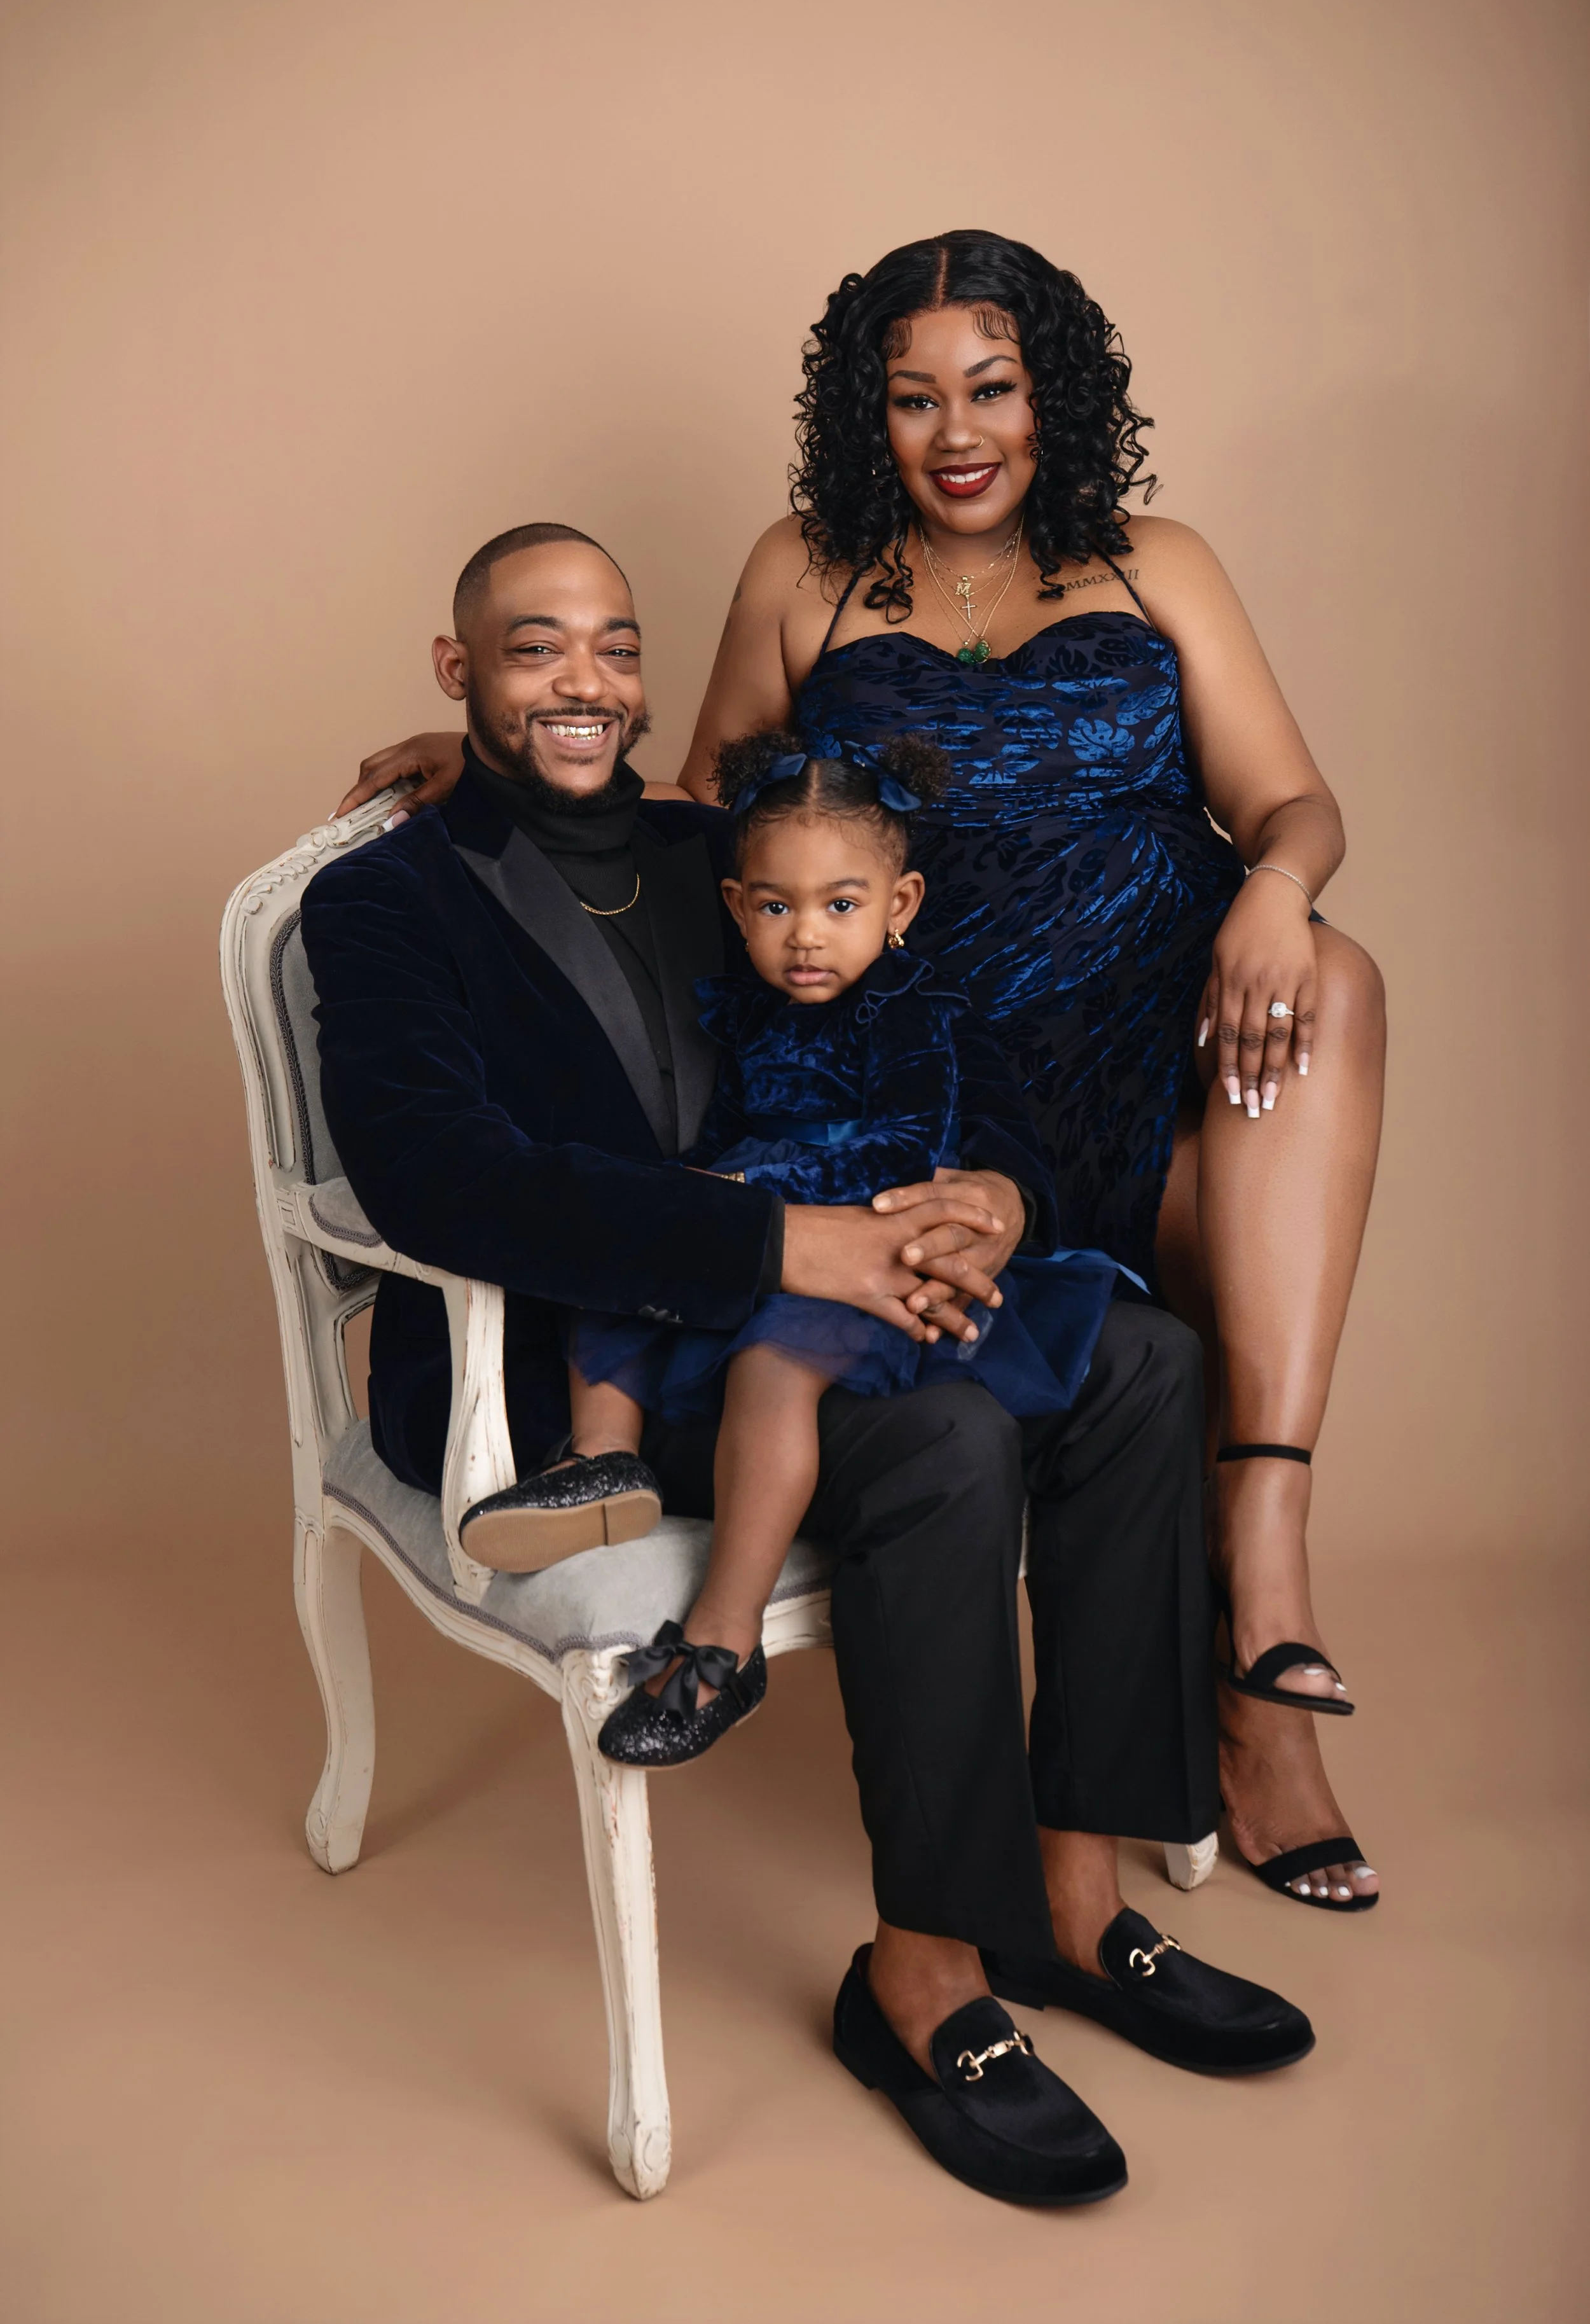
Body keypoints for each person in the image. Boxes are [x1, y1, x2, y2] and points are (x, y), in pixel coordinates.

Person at [336, 233, 1385, 1911]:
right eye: (911, 399)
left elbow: (1297, 801)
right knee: (1105, 1360)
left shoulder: (1154, 559)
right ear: (865, 415)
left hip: (1165, 1021)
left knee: (1332, 973)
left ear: (1053, 395)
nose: (954, 431)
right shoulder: (803, 571)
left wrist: (1271, 887)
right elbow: (703, 817)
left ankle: (1261, 1595)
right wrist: (491, 766)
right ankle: (1039, 1867)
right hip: (938, 1056)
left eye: (989, 387)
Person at [305, 522, 1313, 2207]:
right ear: (455, 670)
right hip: (581, 1367)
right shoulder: (385, 899)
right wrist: (793, 1251)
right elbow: (437, 1183)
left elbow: (935, 1035)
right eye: (534, 646)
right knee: (937, 1443)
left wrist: (998, 1191)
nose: (586, 681)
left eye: (614, 646)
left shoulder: (741, 848)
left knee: (1139, 1360)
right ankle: (920, 1975)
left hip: (822, 1299)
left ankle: (1073, 1900)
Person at [544, 726, 1136, 1771]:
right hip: (782, 1237)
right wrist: (703, 1203)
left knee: (772, 1371)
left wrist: (733, 1195)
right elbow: (728, 1137)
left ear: (898, 906)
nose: (806, 937)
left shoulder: (910, 1014)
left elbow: (902, 1150)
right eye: (776, 908)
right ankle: (599, 1462)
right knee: (632, 1263)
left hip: (883, 1250)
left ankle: (723, 1643)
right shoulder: (756, 1017)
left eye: (840, 906)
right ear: (737, 906)